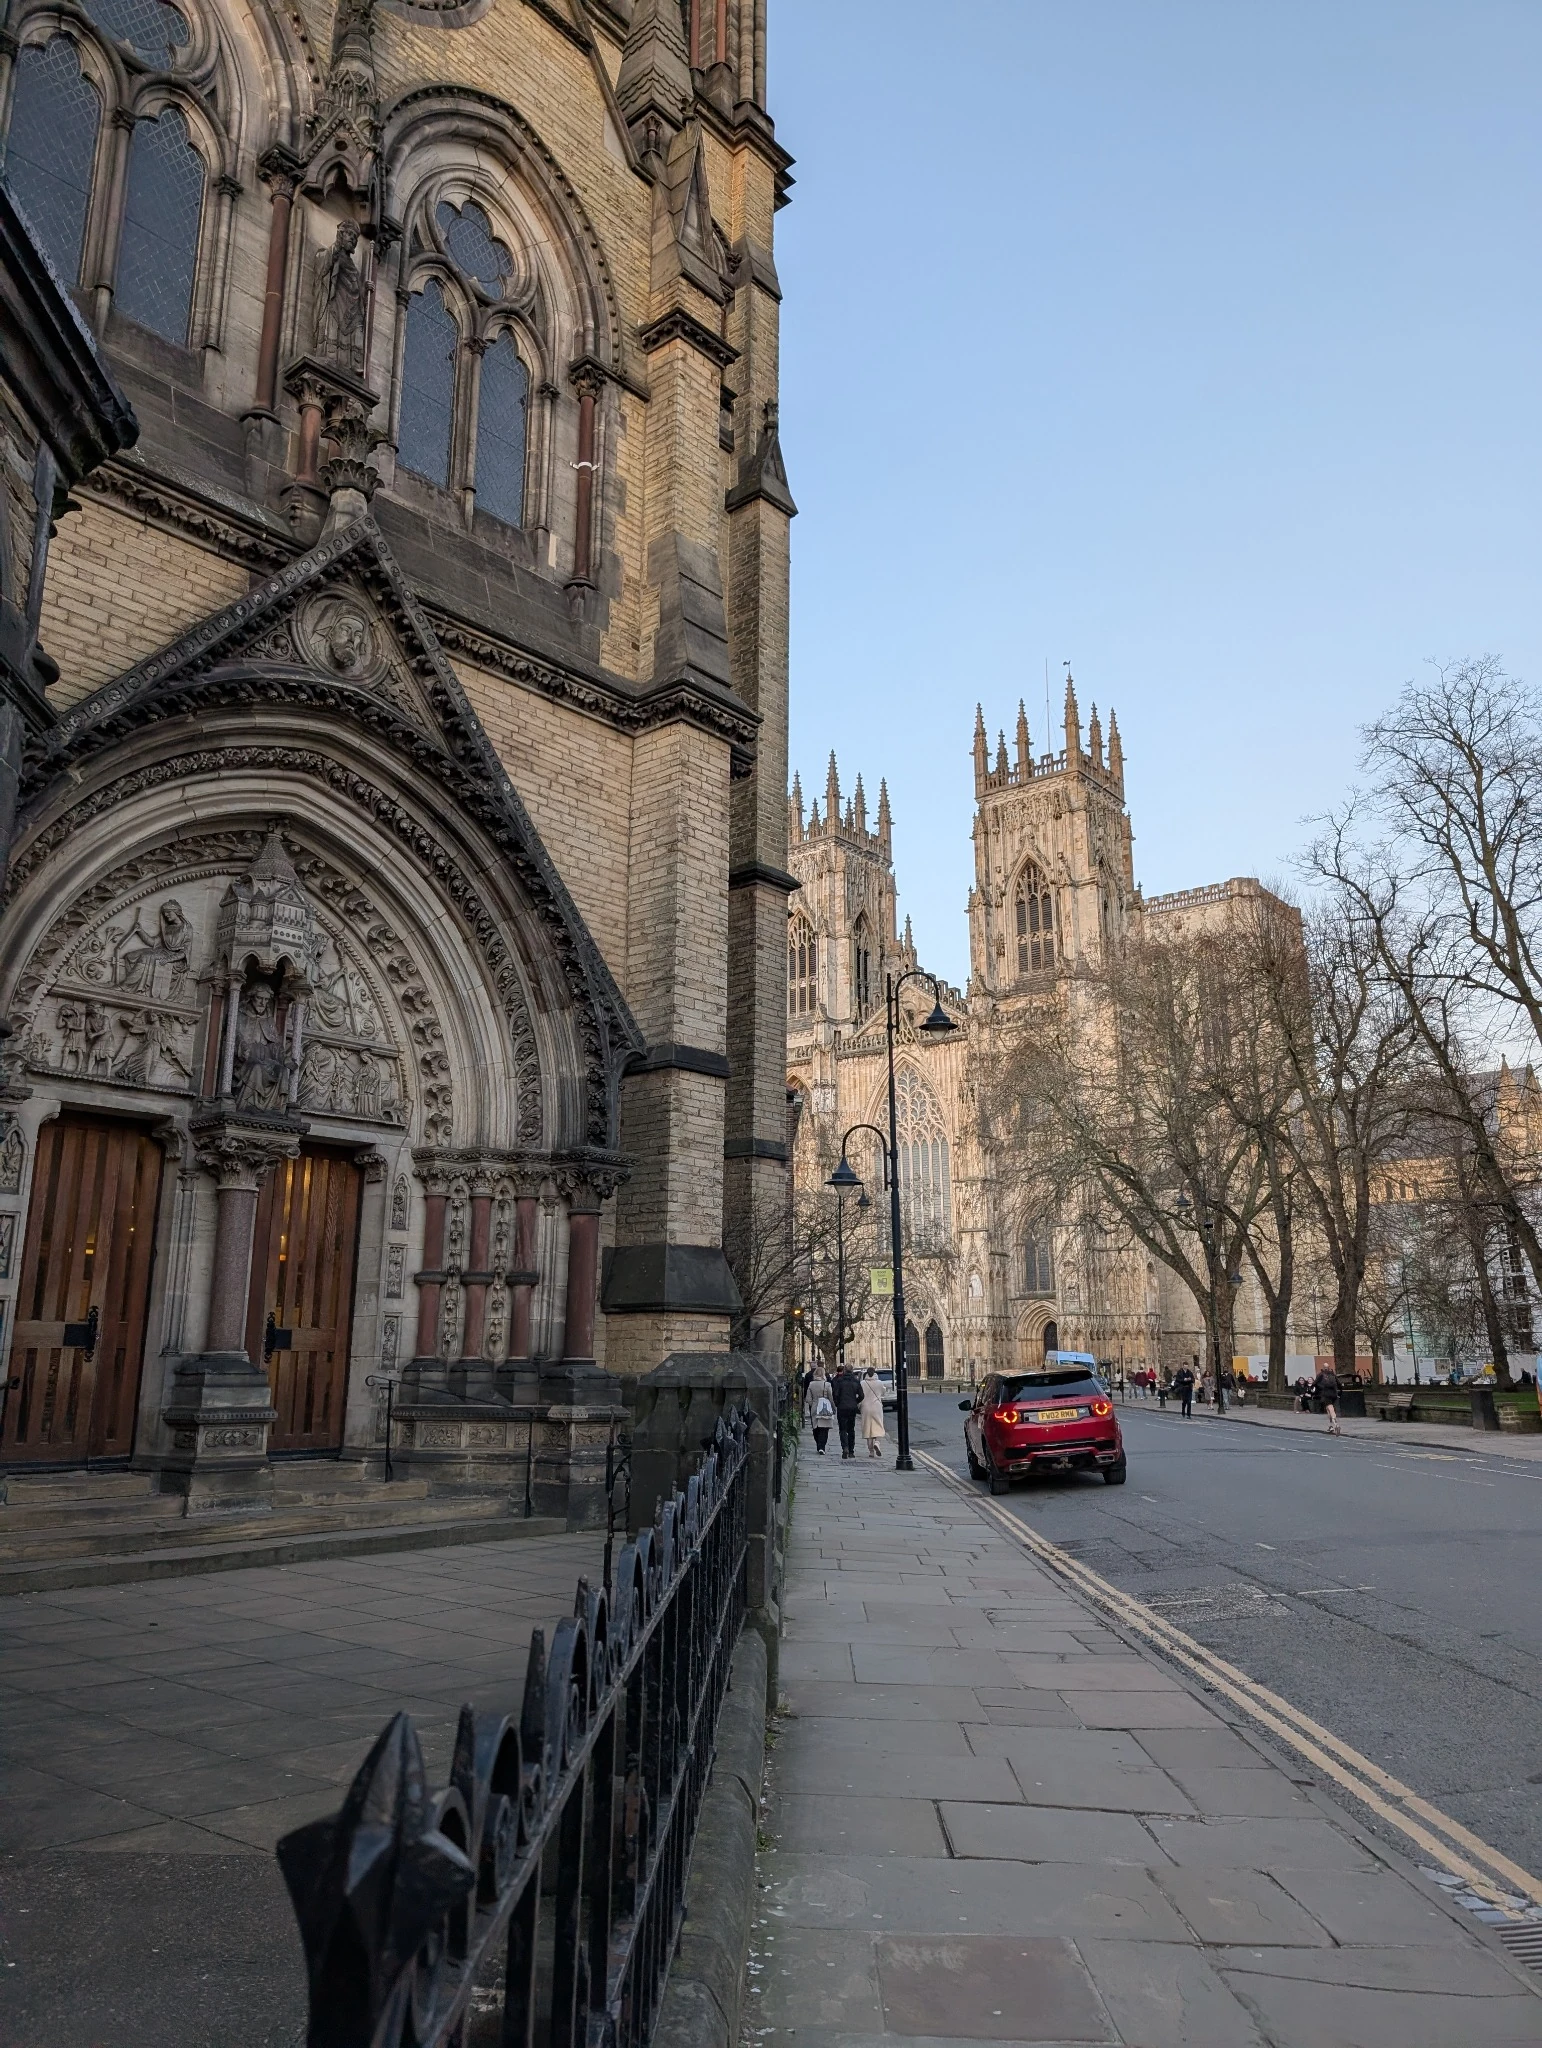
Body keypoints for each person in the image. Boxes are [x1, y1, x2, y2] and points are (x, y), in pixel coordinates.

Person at [832, 1363, 863, 1459]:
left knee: (842, 1429)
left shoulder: (839, 1381)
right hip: (852, 1407)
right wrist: (855, 1402)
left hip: (842, 1407)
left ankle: (845, 1447)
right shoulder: (856, 1381)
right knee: (851, 1429)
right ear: (852, 1370)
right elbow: (862, 1395)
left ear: (844, 1370)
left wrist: (837, 1403)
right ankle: (851, 1451)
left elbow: (835, 1395)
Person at [859, 1368, 887, 1459]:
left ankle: (871, 1451)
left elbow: (860, 1395)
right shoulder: (879, 1382)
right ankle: (877, 1443)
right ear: (874, 1373)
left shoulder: (862, 1383)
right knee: (878, 1426)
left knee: (868, 1428)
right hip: (876, 1406)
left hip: (865, 1407)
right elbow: (883, 1392)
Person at [806, 1369, 834, 1455]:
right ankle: (822, 1446)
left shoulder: (811, 1384)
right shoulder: (827, 1384)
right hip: (825, 1407)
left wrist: (813, 1404)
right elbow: (831, 1398)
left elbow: (808, 1399)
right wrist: (833, 1407)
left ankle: (818, 1443)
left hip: (815, 1406)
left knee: (815, 1426)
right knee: (824, 1428)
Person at [1315, 1359, 1342, 1435]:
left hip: (1326, 1394)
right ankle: (1331, 1426)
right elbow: (1339, 1383)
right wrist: (1340, 1392)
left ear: (1323, 1368)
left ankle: (1335, 1423)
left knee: (1330, 1409)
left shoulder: (1321, 1374)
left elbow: (1315, 1383)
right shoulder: (1333, 1374)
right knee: (1328, 1409)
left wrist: (1318, 1389)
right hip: (1334, 1394)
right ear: (1329, 1368)